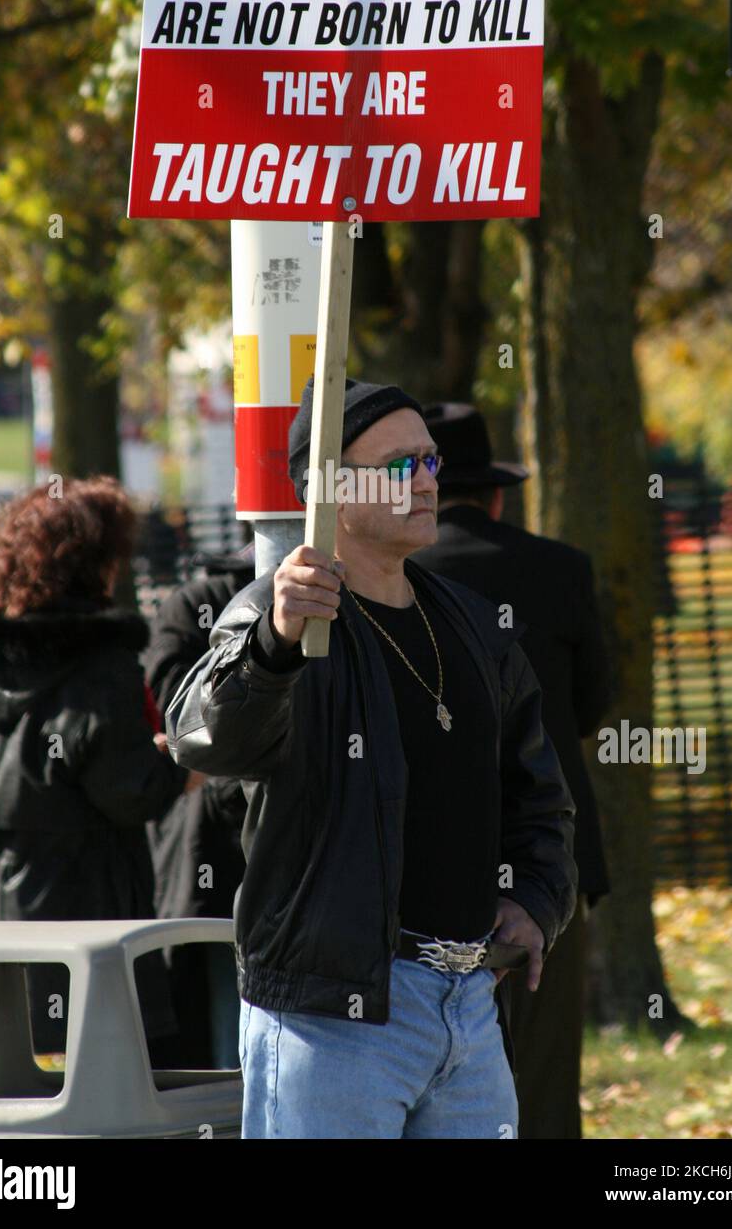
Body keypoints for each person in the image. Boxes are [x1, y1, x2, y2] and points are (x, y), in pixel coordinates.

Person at [167, 377, 578, 1139]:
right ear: (331, 489)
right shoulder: (279, 613)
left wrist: (535, 901)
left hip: (468, 1007)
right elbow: (201, 736)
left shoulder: (474, 624)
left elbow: (539, 793)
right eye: (399, 466)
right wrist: (273, 648)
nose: (426, 481)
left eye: (428, 461)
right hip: (332, 1014)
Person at [0, 476, 200, 1073]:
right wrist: (179, 765)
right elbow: (129, 791)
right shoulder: (102, 664)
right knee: (105, 1095)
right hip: (82, 930)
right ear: (94, 563)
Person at [413, 402, 611, 1139]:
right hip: (548, 854)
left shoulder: (398, 578)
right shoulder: (561, 569)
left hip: (431, 866)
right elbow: (592, 706)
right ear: (496, 494)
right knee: (547, 1073)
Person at [145, 548, 254, 1068]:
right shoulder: (197, 606)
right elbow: (183, 730)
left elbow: (180, 728)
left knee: (225, 1013)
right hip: (219, 846)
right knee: (232, 1014)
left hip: (212, 846)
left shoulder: (189, 604)